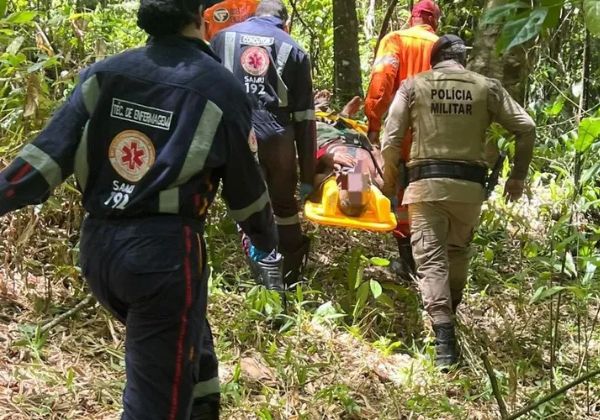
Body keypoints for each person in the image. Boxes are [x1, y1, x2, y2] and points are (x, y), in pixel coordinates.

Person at [0, 0, 278, 418]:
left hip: (99, 251)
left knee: (191, 348)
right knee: (156, 400)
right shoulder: (220, 87)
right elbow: (246, 192)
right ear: (200, 18)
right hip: (165, 257)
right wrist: (266, 239)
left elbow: (43, 161)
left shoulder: (106, 72)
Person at [381, 34, 536, 368]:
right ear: (461, 59)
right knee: (457, 252)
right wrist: (517, 176)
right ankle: (450, 313)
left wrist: (389, 177)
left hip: (426, 187)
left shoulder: (413, 86)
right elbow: (526, 127)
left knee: (431, 260)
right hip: (469, 189)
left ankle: (444, 341)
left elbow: (391, 139)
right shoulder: (487, 87)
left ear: (434, 59)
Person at [211, 0, 316, 286]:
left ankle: (261, 279)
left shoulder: (223, 38)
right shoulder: (294, 48)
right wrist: (308, 179)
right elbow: (305, 118)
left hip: (234, 135)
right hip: (277, 138)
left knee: (248, 204)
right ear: (285, 24)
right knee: (284, 206)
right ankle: (289, 278)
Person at [364, 0, 441, 276]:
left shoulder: (396, 39)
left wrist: (373, 121)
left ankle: (408, 260)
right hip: (435, 136)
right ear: (435, 22)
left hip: (401, 132)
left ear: (412, 18)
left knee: (399, 195)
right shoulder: (443, 47)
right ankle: (426, 261)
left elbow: (382, 81)